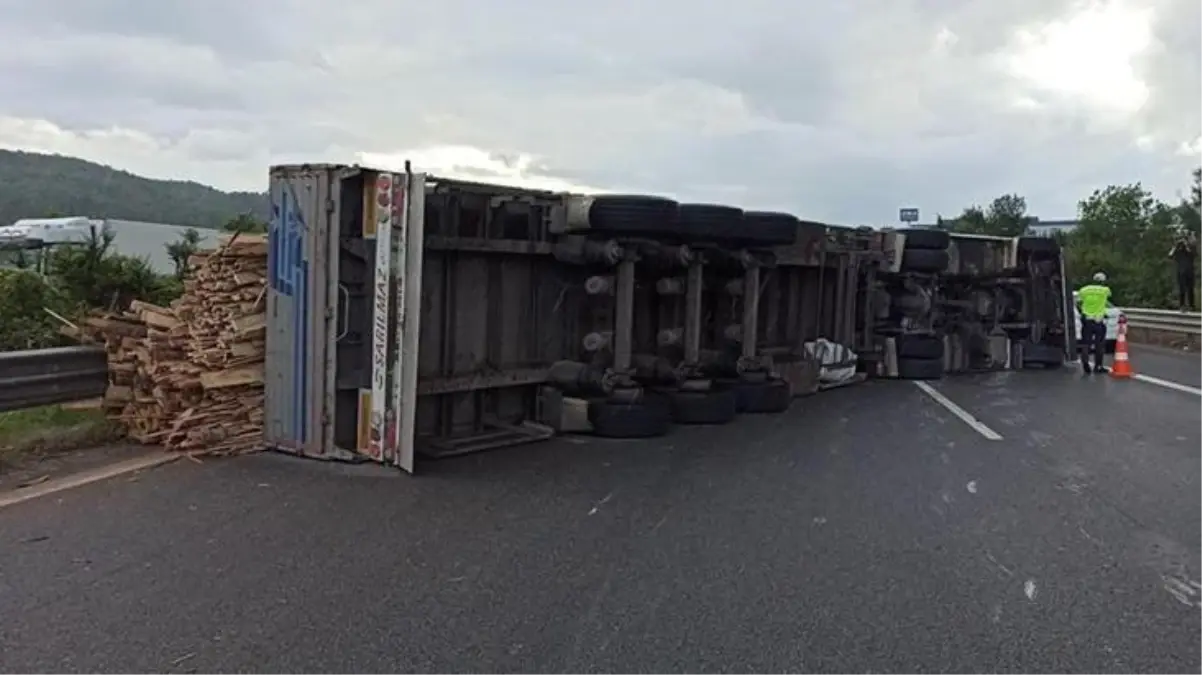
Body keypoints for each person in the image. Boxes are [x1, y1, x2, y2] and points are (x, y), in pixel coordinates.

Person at [1077, 272, 1111, 374]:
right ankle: (1098, 366)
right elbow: (1107, 298)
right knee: (1099, 344)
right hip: (1098, 320)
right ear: (1103, 282)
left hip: (1087, 320)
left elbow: (1079, 302)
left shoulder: (1084, 290)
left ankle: (1085, 363)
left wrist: (1083, 312)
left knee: (1086, 344)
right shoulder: (1105, 290)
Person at [1169, 231, 1196, 311]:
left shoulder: (1191, 247)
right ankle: (1182, 305)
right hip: (1181, 271)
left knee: (1190, 289)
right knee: (1182, 289)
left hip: (1190, 271)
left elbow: (1192, 253)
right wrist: (1175, 245)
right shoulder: (1178, 249)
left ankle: (1191, 306)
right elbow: (1170, 255)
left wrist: (1186, 244)